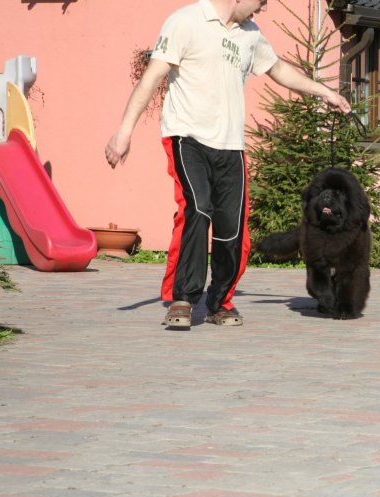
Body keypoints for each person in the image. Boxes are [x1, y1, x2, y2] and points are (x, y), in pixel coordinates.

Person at [104, 0, 351, 329]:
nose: (262, 9)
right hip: (186, 137)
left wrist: (325, 93)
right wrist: (124, 131)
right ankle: (183, 298)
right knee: (198, 208)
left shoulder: (250, 34)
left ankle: (219, 301)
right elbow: (152, 76)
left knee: (231, 228)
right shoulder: (185, 21)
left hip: (230, 146)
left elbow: (279, 69)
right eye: (261, 2)